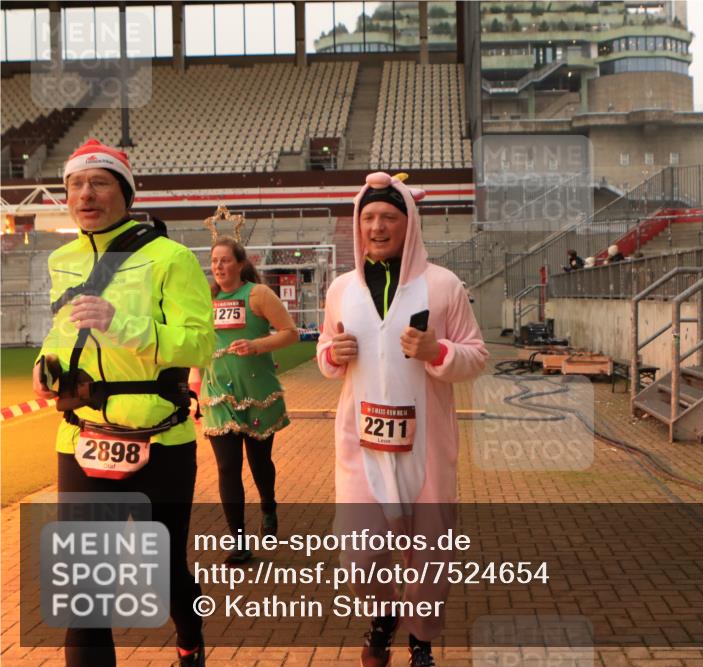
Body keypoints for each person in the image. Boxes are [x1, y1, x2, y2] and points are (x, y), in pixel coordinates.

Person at [32, 139, 213, 666]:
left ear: (126, 193)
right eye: (75, 184)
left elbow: (201, 344)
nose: (85, 194)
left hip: (160, 439)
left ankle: (190, 640)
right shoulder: (61, 259)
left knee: (165, 568)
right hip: (82, 439)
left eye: (100, 182)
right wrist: (46, 368)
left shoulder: (171, 257)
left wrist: (124, 324)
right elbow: (62, 334)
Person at [316, 172, 488, 667]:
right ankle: (382, 618)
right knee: (360, 553)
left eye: (388, 216)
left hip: (426, 449)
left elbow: (475, 355)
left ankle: (421, 643)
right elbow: (327, 353)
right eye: (368, 217)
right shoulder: (342, 288)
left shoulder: (442, 285)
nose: (377, 226)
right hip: (361, 445)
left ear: (408, 223)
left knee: (429, 557)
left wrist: (440, 351)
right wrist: (332, 354)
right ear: (357, 224)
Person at [200, 235, 297, 565]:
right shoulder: (204, 299)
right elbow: (196, 344)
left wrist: (258, 345)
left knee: (259, 465)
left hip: (256, 393)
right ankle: (238, 540)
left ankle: (268, 507)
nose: (219, 266)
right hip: (216, 394)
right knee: (227, 467)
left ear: (241, 263)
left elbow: (290, 332)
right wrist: (192, 381)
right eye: (214, 261)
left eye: (225, 260)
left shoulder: (258, 294)